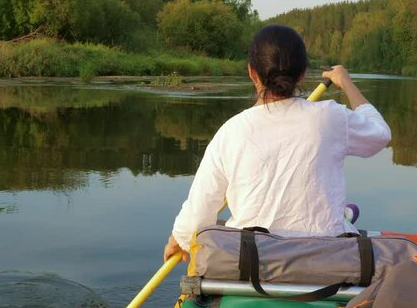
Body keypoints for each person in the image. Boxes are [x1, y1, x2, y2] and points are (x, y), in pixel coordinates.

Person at [163, 24, 391, 262]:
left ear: (252, 72)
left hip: (252, 264)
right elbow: (380, 134)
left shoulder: (231, 131)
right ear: (302, 74)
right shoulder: (331, 117)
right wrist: (346, 82)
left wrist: (180, 240)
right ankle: (340, 219)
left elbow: (199, 211)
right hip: (325, 261)